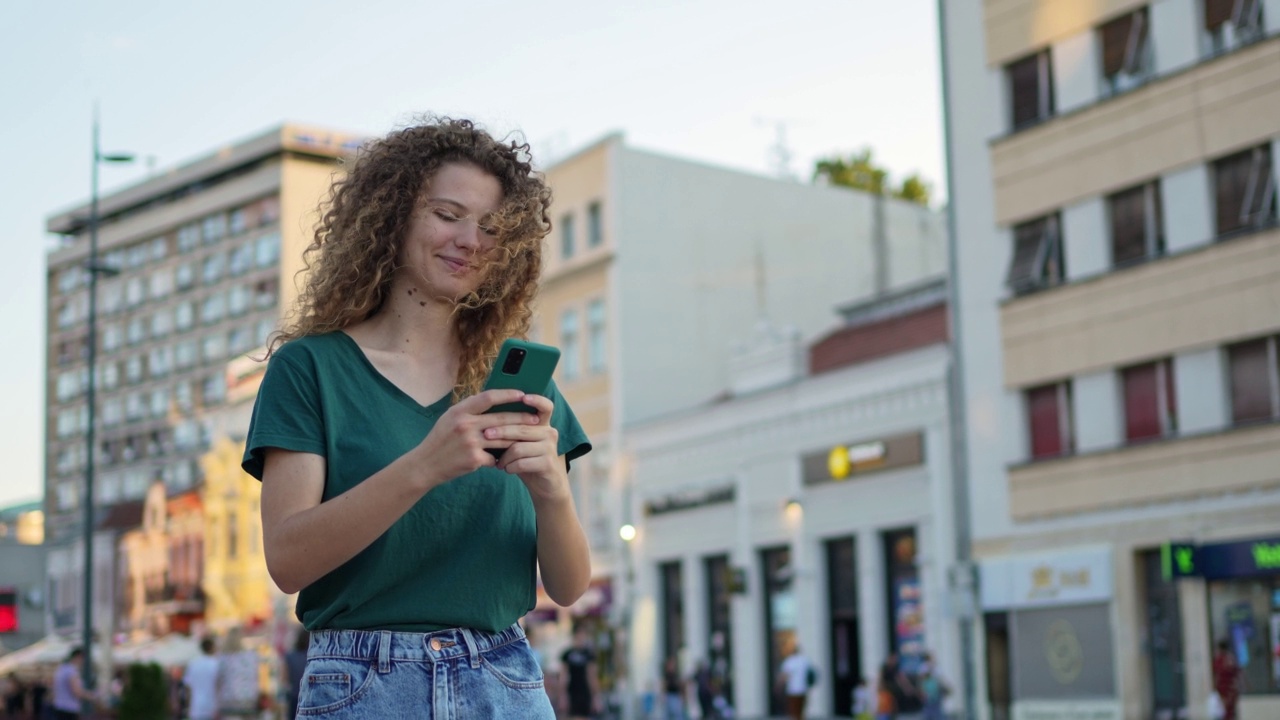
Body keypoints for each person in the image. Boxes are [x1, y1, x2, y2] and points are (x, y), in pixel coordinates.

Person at [243, 116, 593, 719]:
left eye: (490, 227)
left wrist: (554, 493)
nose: (470, 239)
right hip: (362, 683)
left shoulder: (522, 388)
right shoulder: (311, 369)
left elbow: (567, 587)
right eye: (448, 213)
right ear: (393, 215)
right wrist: (425, 466)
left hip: (504, 680)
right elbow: (288, 559)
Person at [560, 628, 599, 720]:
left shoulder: (588, 654)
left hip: (585, 691)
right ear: (574, 636)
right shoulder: (567, 654)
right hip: (572, 691)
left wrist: (596, 697)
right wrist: (562, 695)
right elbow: (563, 676)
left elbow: (592, 676)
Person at [182, 637, 220, 720]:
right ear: (212, 647)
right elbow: (218, 685)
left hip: (196, 707)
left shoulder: (193, 664)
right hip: (212, 707)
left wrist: (188, 705)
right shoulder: (216, 664)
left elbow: (187, 685)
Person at [50, 649, 94, 720]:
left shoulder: (61, 669)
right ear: (78, 657)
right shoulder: (71, 670)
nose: (83, 662)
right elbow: (76, 691)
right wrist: (92, 696)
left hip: (59, 707)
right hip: (69, 709)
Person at [776, 643, 813, 720]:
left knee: (793, 711)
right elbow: (811, 673)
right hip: (803, 689)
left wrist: (779, 686)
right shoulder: (804, 660)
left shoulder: (789, 661)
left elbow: (784, 676)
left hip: (792, 690)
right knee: (801, 711)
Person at [1211, 639, 1242, 720]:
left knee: (1224, 711)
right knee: (1230, 711)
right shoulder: (1232, 658)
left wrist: (1216, 688)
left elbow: (1217, 675)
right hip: (1232, 688)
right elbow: (1238, 673)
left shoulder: (1219, 660)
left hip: (1223, 688)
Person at [283, 630, 310, 720]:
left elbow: (285, 678)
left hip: (294, 697)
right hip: (310, 696)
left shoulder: (290, 656)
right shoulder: (313, 657)